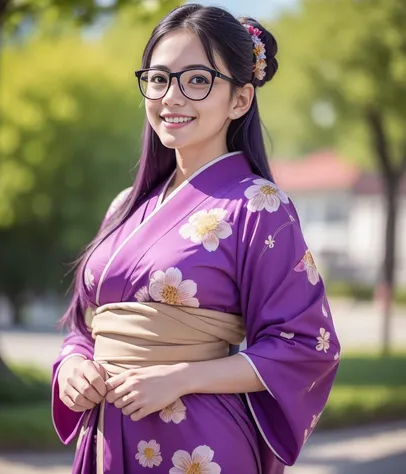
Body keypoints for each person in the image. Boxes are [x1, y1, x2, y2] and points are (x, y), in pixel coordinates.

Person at [51, 4, 341, 474]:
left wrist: (182, 378)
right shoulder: (125, 204)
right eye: (160, 78)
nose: (172, 97)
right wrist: (72, 366)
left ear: (241, 100)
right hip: (106, 435)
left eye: (198, 80)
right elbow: (86, 328)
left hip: (197, 447)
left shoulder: (260, 205)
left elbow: (305, 345)